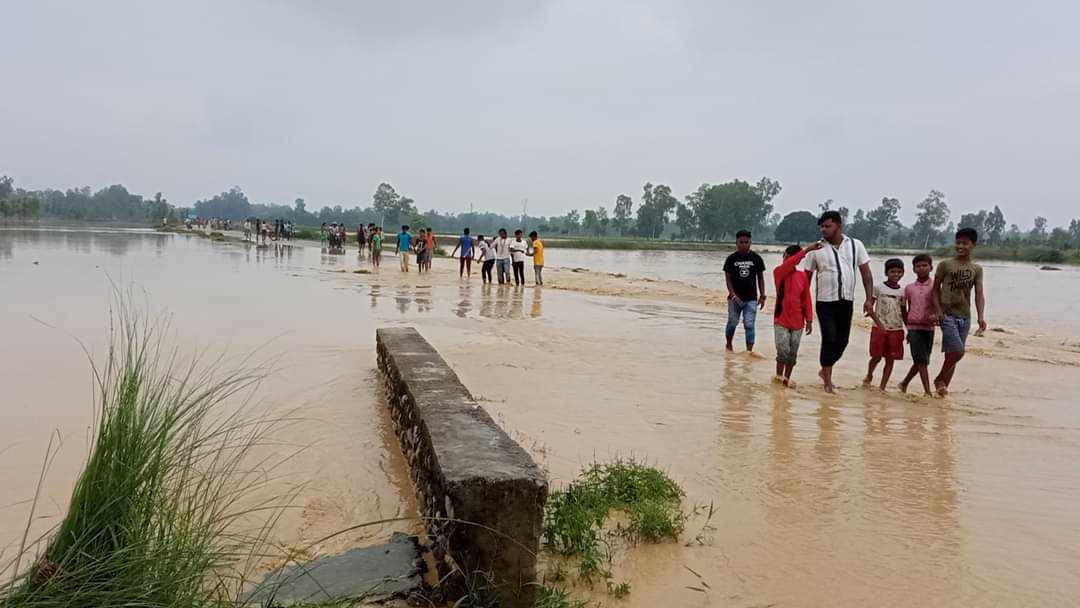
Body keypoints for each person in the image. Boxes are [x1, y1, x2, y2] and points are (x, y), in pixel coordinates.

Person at [801, 211, 874, 393]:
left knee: (843, 341)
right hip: (824, 302)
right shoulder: (816, 249)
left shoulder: (856, 245)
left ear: (839, 226)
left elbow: (866, 273)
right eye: (822, 227)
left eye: (827, 226)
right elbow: (806, 278)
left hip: (846, 301)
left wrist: (869, 298)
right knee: (829, 338)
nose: (823, 230)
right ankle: (828, 381)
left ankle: (824, 370)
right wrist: (803, 304)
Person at [932, 227, 987, 396]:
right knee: (958, 351)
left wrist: (981, 317)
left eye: (965, 243)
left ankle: (943, 389)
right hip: (947, 314)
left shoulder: (976, 269)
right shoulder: (945, 265)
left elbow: (979, 294)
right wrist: (938, 310)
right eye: (958, 242)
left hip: (965, 316)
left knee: (952, 355)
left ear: (973, 245)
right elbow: (935, 290)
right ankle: (939, 379)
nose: (961, 246)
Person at [773, 242, 820, 387]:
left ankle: (786, 379)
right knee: (783, 351)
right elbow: (790, 263)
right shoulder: (779, 272)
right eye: (787, 256)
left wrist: (810, 320)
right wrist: (808, 250)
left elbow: (806, 298)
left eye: (795, 258)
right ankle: (778, 377)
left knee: (792, 354)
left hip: (798, 321)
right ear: (784, 256)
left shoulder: (802, 276)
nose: (790, 260)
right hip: (781, 319)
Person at [864, 258, 906, 391]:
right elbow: (869, 308)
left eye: (899, 272)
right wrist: (879, 324)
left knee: (890, 359)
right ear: (886, 273)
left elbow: (904, 312)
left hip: (896, 329)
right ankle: (869, 374)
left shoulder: (903, 292)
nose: (896, 274)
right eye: (892, 271)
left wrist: (910, 329)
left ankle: (882, 387)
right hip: (879, 328)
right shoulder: (878, 288)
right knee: (876, 357)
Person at [722, 230, 767, 353]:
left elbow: (761, 278)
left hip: (751, 299)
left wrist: (763, 295)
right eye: (741, 242)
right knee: (732, 322)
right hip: (734, 299)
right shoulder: (731, 259)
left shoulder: (756, 258)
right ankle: (729, 345)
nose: (743, 245)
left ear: (750, 242)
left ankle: (749, 352)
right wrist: (732, 294)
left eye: (746, 242)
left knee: (749, 324)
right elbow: (728, 279)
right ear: (736, 243)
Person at [899, 254, 937, 395]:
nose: (921, 268)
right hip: (914, 328)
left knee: (923, 360)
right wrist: (907, 327)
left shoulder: (936, 286)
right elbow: (904, 308)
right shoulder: (909, 288)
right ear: (914, 269)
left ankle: (904, 383)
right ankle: (928, 392)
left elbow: (941, 305)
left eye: (924, 265)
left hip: (929, 327)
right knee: (921, 360)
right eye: (918, 266)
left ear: (931, 267)